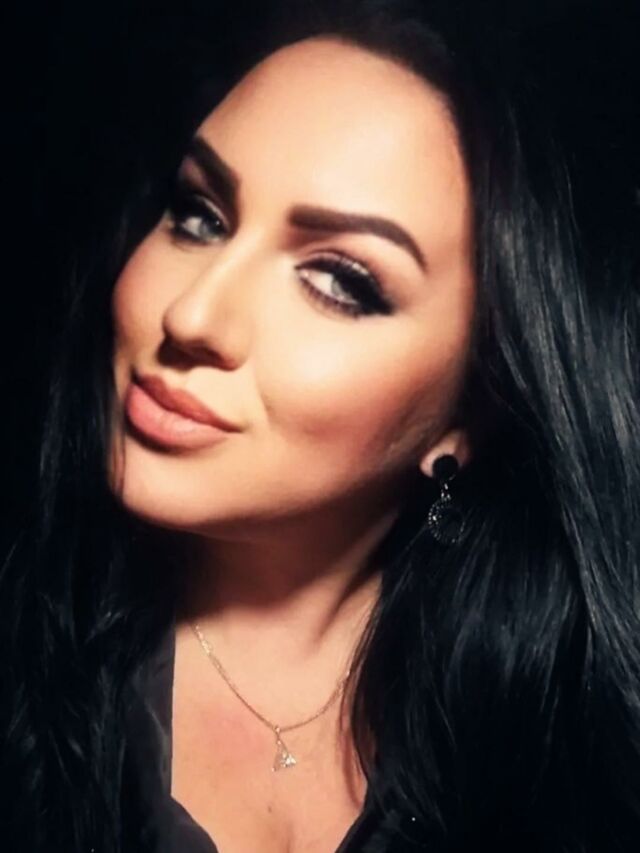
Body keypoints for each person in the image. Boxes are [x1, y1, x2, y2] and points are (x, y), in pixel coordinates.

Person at [2, 0, 639, 851]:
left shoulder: (558, 748)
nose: (192, 315)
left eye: (340, 281)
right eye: (199, 215)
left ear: (467, 414)